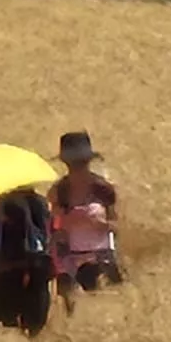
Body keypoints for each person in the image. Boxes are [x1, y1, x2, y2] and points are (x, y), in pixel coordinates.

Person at [48, 131, 123, 312]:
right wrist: (64, 223)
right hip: (70, 262)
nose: (78, 168)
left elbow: (118, 229)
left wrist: (100, 224)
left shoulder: (103, 189)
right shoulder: (59, 191)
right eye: (74, 164)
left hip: (101, 259)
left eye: (80, 163)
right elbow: (53, 230)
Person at [0, 188, 53, 336]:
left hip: (5, 280)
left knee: (1, 339)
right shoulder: (43, 204)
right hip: (38, 279)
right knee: (34, 341)